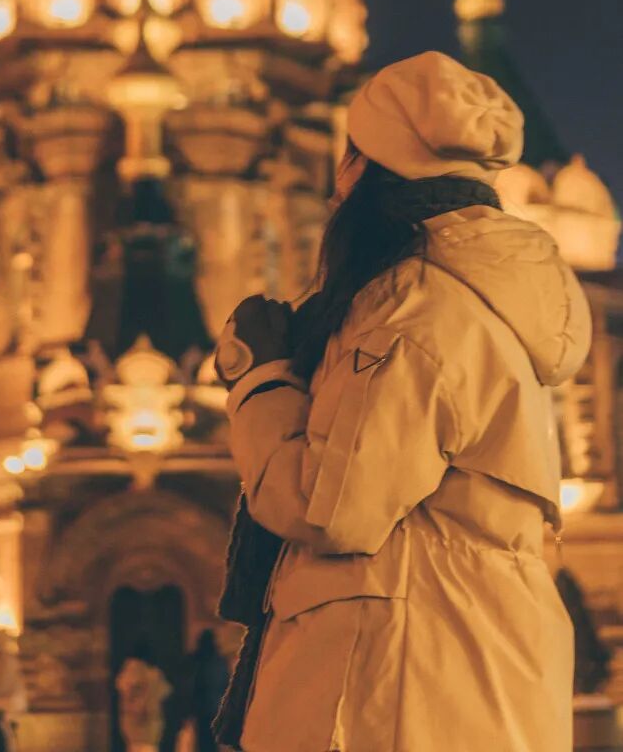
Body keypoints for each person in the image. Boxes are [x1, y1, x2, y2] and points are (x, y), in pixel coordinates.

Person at [213, 51, 591, 752]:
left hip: (396, 686)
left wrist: (260, 382)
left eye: (348, 159)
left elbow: (335, 507)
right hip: (467, 668)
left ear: (367, 172)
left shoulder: (413, 304)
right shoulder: (478, 297)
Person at [116, 640, 172, 752]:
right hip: (145, 726)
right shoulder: (152, 674)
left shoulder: (131, 672)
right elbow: (165, 691)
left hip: (138, 725)